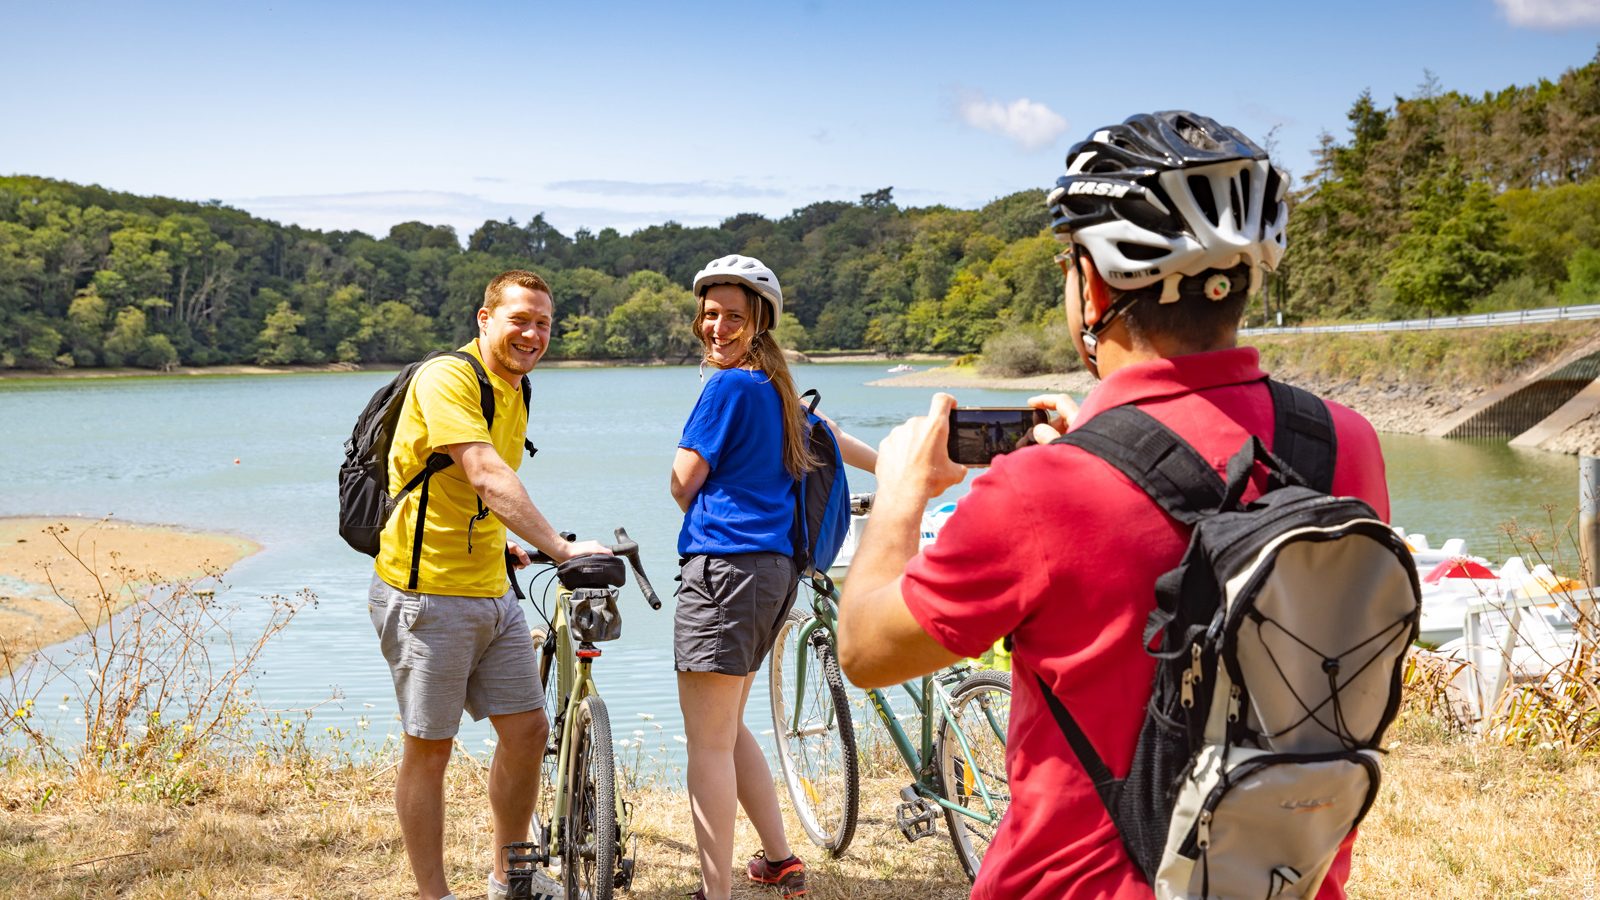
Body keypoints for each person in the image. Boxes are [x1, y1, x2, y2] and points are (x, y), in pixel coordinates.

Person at [836, 111, 1390, 899]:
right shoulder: (1344, 443)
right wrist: (1093, 442)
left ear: (1092, 282)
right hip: (1279, 881)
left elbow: (865, 650)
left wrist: (899, 495)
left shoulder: (1038, 493)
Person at [368, 269, 610, 900]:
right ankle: (434, 895)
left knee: (528, 732)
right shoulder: (447, 377)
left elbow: (463, 488)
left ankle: (510, 878)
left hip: (490, 587)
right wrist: (560, 547)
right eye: (519, 320)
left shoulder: (516, 386)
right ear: (484, 319)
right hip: (426, 594)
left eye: (543, 324)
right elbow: (483, 471)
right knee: (431, 749)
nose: (532, 334)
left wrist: (509, 543)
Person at [669, 254, 876, 900]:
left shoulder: (728, 387)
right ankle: (781, 860)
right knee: (725, 726)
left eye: (733, 316)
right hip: (772, 577)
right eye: (710, 315)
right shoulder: (780, 390)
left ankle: (715, 892)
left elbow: (682, 482)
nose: (718, 327)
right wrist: (901, 468)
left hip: (724, 570)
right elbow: (834, 438)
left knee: (705, 742)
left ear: (759, 322)